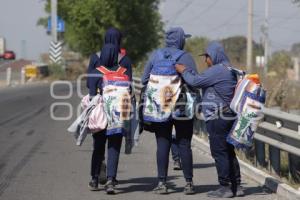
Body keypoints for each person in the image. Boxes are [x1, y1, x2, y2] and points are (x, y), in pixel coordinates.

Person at [175, 41, 244, 198]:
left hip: (218, 117)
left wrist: (184, 70)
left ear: (213, 56)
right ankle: (237, 186)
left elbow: (195, 81)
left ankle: (225, 187)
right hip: (228, 115)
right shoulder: (229, 69)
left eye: (206, 57)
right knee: (228, 151)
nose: (205, 61)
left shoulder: (217, 70)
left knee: (219, 152)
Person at [142, 27, 197, 195]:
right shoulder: (185, 57)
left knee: (162, 144)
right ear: (180, 40)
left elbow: (144, 80)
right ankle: (188, 183)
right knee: (184, 144)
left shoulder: (155, 55)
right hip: (182, 109)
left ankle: (162, 183)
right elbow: (194, 81)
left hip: (160, 108)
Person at [87, 28, 132, 195]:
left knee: (98, 145)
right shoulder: (125, 61)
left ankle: (94, 177)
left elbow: (89, 88)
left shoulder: (95, 61)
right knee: (114, 145)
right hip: (118, 113)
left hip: (99, 111)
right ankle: (111, 180)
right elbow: (131, 88)